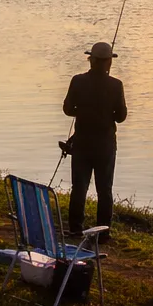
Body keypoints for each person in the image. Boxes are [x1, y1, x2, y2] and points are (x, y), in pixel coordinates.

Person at [61, 41, 128, 239]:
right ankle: (103, 233)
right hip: (105, 145)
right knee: (104, 189)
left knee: (79, 187)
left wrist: (81, 111)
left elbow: (67, 109)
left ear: (91, 60)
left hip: (82, 142)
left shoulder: (78, 81)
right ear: (108, 62)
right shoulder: (116, 85)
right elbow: (121, 116)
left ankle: (75, 228)